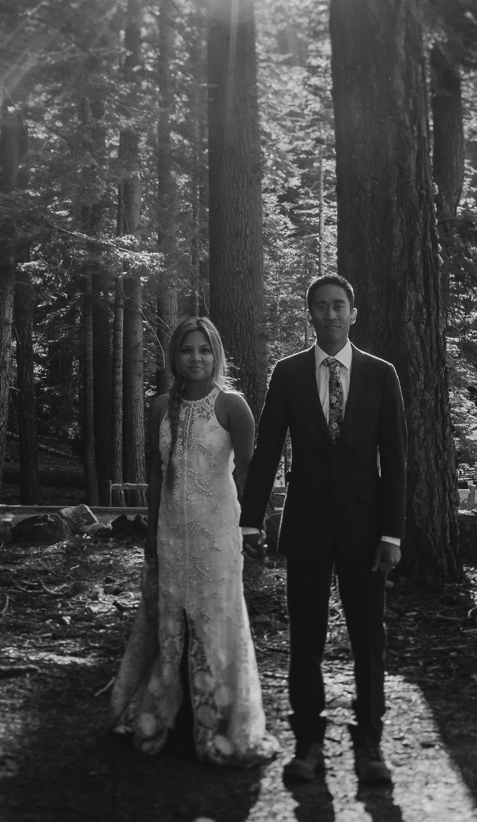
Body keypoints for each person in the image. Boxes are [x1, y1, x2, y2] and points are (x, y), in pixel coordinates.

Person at [239, 274, 405, 789]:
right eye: (320, 307)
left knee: (367, 640)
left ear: (354, 312)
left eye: (338, 306)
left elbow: (396, 460)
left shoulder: (381, 375)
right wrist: (249, 520)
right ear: (309, 314)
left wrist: (393, 534)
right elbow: (266, 451)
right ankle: (308, 743)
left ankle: (370, 741)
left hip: (366, 529)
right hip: (307, 525)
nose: (330, 315)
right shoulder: (288, 375)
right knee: (305, 639)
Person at [109, 317, 277, 767]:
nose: (196, 358)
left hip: (217, 536)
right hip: (171, 535)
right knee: (171, 622)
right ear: (174, 357)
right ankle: (173, 716)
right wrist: (151, 535)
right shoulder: (160, 406)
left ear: (216, 354)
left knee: (214, 623)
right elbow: (156, 475)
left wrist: (253, 529)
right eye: (187, 350)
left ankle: (218, 719)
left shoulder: (232, 406)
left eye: (205, 350)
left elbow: (248, 473)